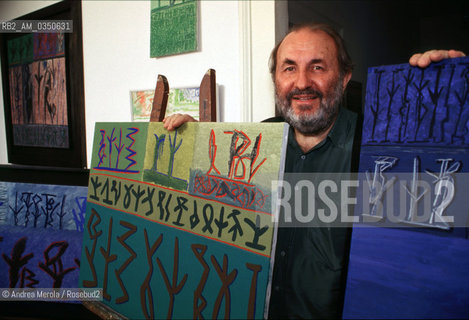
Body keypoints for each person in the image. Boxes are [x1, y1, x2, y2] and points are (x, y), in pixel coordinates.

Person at [162, 23, 465, 319]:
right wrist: (192, 144)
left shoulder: (382, 151)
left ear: (345, 77)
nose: (302, 82)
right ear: (275, 78)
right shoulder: (250, 144)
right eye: (289, 68)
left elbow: (438, 232)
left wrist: (450, 101)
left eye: (318, 67)